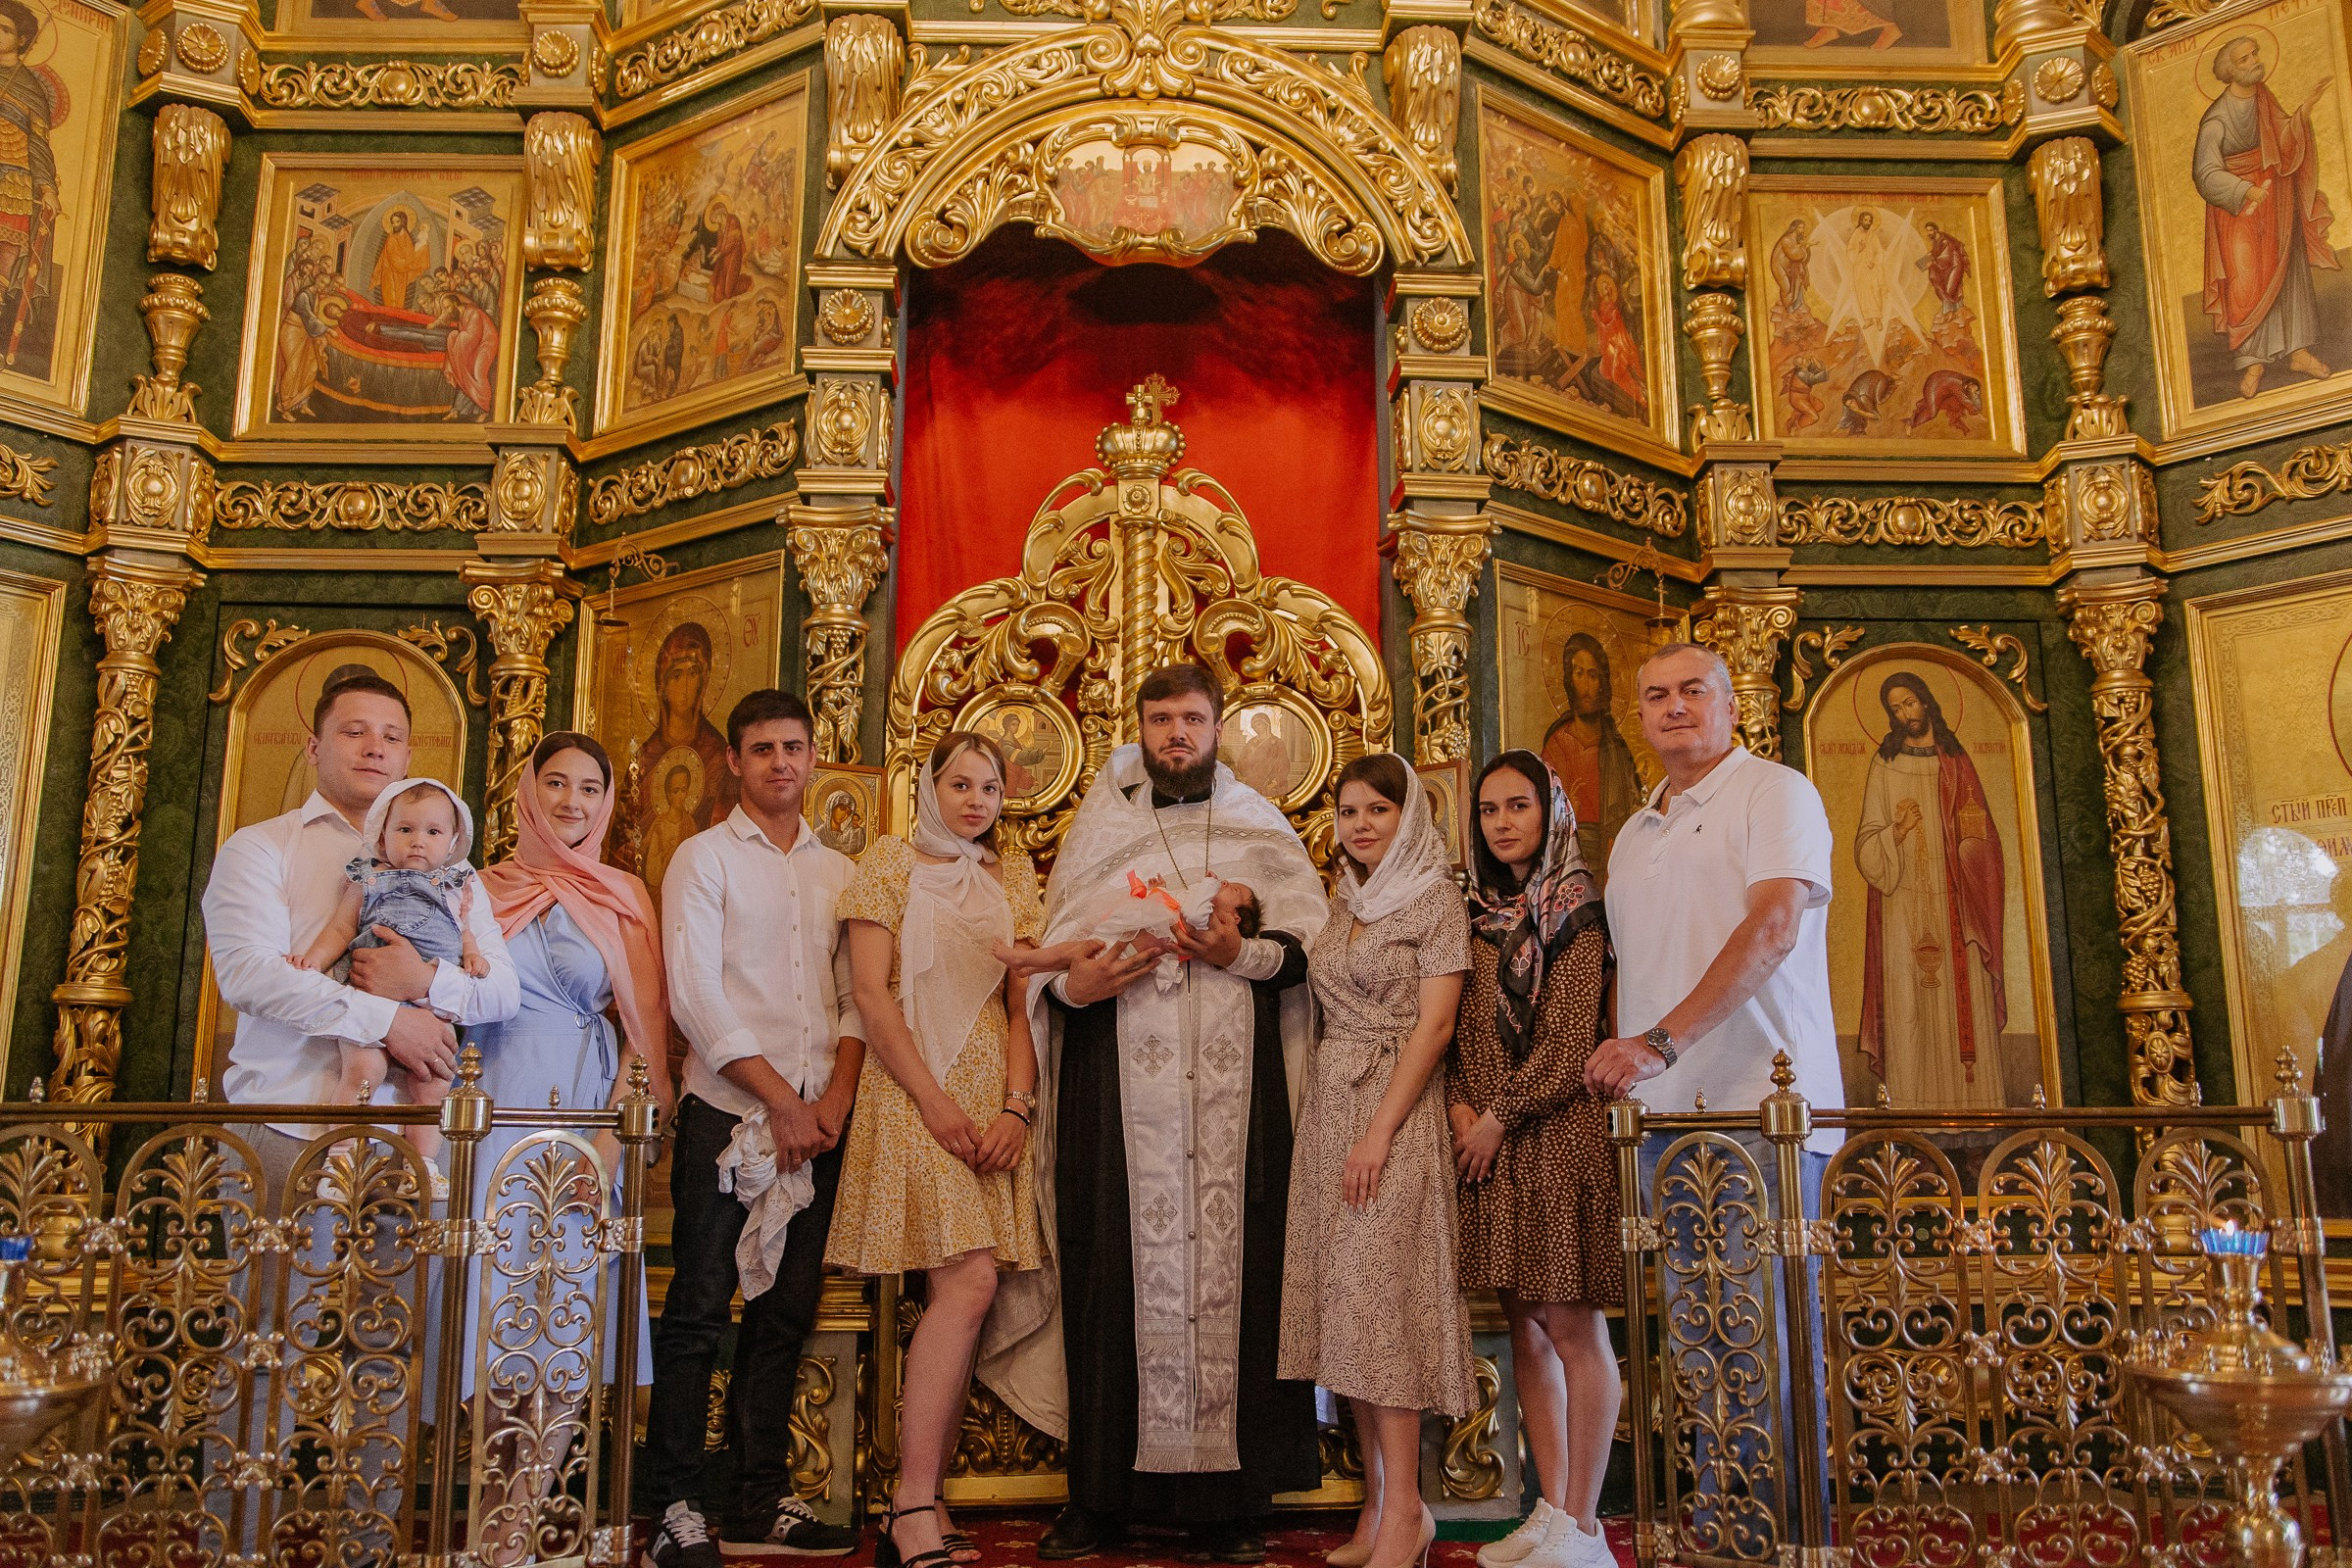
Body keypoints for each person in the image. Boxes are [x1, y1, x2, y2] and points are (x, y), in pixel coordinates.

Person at [1029, 664, 1331, 1564]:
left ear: (1217, 727)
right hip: (1116, 1091)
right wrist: (1074, 985)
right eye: (1160, 720)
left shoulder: (1259, 826)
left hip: (1241, 1102)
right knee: (1109, 1272)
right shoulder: (1102, 827)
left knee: (1240, 1275)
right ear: (1140, 727)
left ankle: (1233, 1507)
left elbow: (1309, 949)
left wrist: (1239, 952)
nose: (1176, 736)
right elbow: (1056, 956)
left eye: (1192, 720)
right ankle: (1099, 1498)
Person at [1585, 641, 1842, 1561]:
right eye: (1655, 695)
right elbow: (1637, 968)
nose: (1674, 707)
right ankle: (1726, 1532)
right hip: (1669, 1120)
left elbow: (1773, 925)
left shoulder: (1773, 793)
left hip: (1762, 1110)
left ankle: (1785, 1541)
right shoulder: (1632, 829)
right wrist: (1636, 1071)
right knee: (1701, 1340)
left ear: (1732, 705)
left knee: (1765, 1332)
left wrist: (1658, 1043)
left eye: (1694, 690)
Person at [642, 690, 866, 1568]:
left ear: (815, 760)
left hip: (816, 1125)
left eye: (794, 747)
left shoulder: (838, 872)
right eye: (762, 748)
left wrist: (832, 1104)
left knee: (783, 1313)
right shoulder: (701, 861)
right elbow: (696, 996)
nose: (780, 762)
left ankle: (758, 1499)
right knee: (699, 1311)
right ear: (732, 761)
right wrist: (781, 1101)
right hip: (729, 1118)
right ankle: (675, 1505)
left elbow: (856, 999)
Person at [826, 732, 1048, 1568]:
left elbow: (1023, 1004)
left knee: (973, 1289)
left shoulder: (1014, 875)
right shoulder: (890, 861)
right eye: (960, 784)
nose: (975, 801)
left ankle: (925, 1495)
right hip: (913, 1087)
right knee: (970, 1278)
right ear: (931, 787)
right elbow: (873, 1000)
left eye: (989, 787)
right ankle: (910, 1500)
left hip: (993, 1093)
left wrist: (1018, 1109)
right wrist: (936, 1101)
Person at [472, 733, 674, 1568]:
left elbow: (641, 1033)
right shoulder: (480, 888)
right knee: (494, 1323)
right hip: (490, 1119)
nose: (572, 801)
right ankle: (491, 1516)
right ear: (526, 792)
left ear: (608, 800)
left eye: (590, 787)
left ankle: (517, 1526)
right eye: (555, 783)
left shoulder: (624, 895)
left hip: (585, 1121)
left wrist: (607, 1148)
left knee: (568, 1323)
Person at [206, 668, 518, 1198]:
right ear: (313, 747)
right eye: (354, 732)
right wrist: (389, 1020)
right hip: (290, 1125)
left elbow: (502, 992)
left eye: (391, 738)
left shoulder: (453, 871)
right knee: (285, 1284)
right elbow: (249, 977)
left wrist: (422, 980)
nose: (375, 748)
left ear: (407, 757)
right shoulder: (259, 847)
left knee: (409, 1285)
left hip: (410, 1142)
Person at [1278, 755, 1473, 1568]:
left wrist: (1380, 1131)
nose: (1359, 825)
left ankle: (1410, 1514)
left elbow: (1433, 1029)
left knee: (1379, 1311)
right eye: (1347, 811)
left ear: (1411, 818)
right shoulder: (1344, 901)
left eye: (1377, 810)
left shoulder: (1436, 901)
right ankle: (1378, 1509)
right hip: (1332, 1113)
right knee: (1345, 1314)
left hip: (1391, 1115)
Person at [1448, 754, 1619, 1568]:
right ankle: (1551, 1512)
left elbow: (1571, 1042)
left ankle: (1584, 1526)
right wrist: (1459, 1107)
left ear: (1552, 811)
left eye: (1520, 805)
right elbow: (1458, 1021)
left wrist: (1497, 1117)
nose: (1503, 822)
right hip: (1487, 1142)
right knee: (1525, 1324)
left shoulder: (1576, 907)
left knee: (1572, 1323)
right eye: (1488, 810)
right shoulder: (1476, 908)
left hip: (1553, 1135)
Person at [289, 775, 489, 1180]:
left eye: (433, 832)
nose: (418, 841)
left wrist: (472, 954)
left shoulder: (457, 885)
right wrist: (313, 960)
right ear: (383, 837)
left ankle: (423, 1166)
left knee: (434, 1084)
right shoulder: (369, 878)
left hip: (429, 1003)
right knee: (363, 1072)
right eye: (405, 829)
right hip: (370, 997)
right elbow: (341, 929)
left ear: (452, 844)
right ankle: (340, 1158)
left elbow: (465, 928)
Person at [1854, 672, 2006, 1107]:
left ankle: (1979, 1118)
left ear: (1927, 701)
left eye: (1910, 703)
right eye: (1896, 708)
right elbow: (1866, 841)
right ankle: (1911, 1119)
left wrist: (1966, 845)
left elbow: (1985, 840)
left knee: (1967, 999)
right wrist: (1896, 832)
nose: (1905, 714)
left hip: (1959, 901)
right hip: (1902, 900)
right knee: (1907, 1006)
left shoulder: (1956, 762)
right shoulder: (1884, 763)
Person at [2194, 35, 2338, 401]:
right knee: (2247, 279)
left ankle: (2299, 352)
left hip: (2275, 194)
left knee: (2287, 268)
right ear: (2230, 70)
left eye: (2255, 53)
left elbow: (2283, 136)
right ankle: (2252, 360)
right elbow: (2206, 173)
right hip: (2239, 207)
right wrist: (2245, 191)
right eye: (2245, 58)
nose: (2255, 60)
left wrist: (2304, 110)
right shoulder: (2216, 119)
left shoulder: (2263, 97)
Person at [1540, 634, 1644, 878]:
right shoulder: (1557, 744)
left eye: (1593, 675)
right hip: (1571, 859)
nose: (1586, 686)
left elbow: (1635, 802)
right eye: (1578, 673)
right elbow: (1543, 811)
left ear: (1603, 682)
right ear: (1568, 679)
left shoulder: (1617, 747)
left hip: (1619, 855)